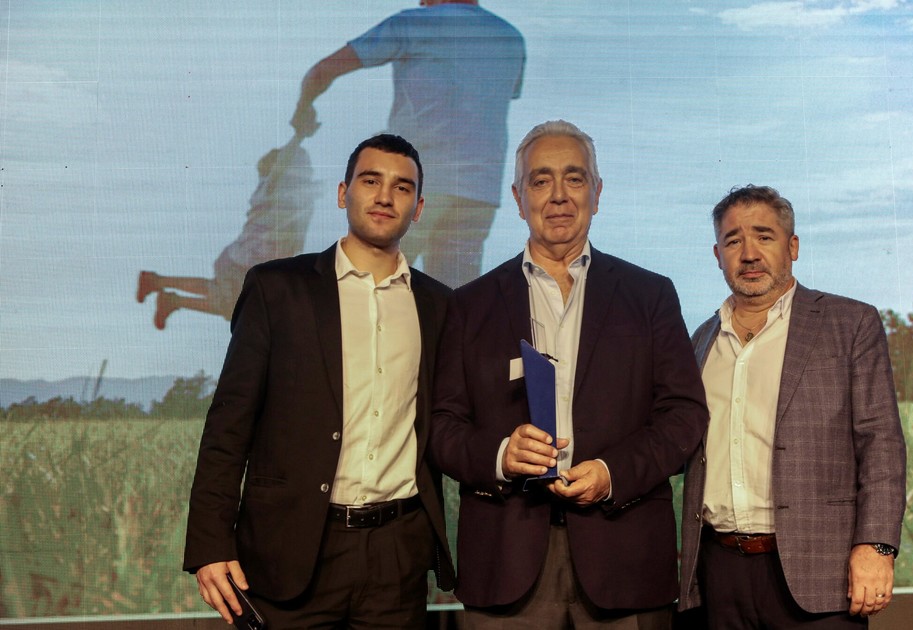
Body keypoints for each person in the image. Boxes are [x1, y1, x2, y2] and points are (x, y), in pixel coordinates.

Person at [428, 120, 708, 628]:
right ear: (518, 198)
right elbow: (442, 426)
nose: (558, 194)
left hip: (624, 561)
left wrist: (612, 473)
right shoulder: (469, 305)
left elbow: (683, 415)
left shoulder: (650, 296)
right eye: (541, 180)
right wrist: (500, 455)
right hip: (504, 563)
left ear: (597, 193)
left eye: (574, 178)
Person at [183, 134, 455, 628]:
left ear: (418, 208)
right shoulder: (276, 288)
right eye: (370, 181)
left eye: (402, 187)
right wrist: (209, 544)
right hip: (292, 549)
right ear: (342, 193)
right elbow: (229, 424)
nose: (385, 196)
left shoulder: (439, 305)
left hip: (398, 555)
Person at [678, 185, 907, 628]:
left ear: (793, 247)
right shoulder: (701, 341)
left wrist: (877, 546)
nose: (749, 254)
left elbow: (881, 442)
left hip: (820, 573)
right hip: (719, 575)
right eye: (733, 241)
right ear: (717, 255)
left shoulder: (850, 323)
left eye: (764, 236)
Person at [291, 0, 525, 288]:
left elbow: (322, 71)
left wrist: (303, 109)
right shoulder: (511, 38)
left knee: (373, 289)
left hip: (415, 183)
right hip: (480, 190)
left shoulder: (413, 22)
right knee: (454, 301)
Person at [137, 136, 317, 329]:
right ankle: (165, 291)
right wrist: (298, 137)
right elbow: (284, 162)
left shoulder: (289, 200)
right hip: (242, 261)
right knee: (233, 306)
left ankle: (161, 287)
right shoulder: (272, 188)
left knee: (224, 298)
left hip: (242, 260)